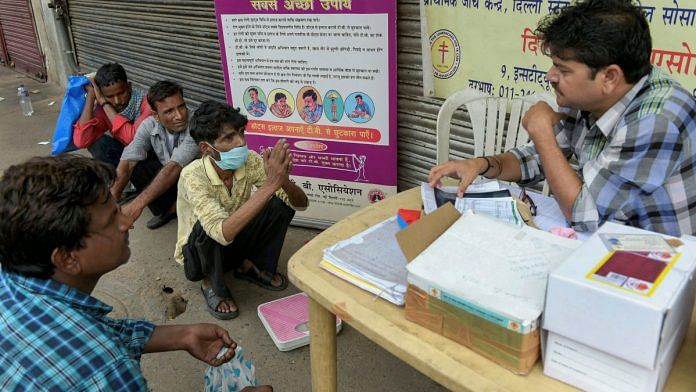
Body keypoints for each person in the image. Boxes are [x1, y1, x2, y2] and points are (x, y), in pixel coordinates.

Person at [0, 155, 271, 391]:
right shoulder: (104, 368)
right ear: (68, 258)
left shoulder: (13, 279)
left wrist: (181, 335)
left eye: (118, 209)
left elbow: (91, 331)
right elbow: (92, 348)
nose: (127, 222)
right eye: (111, 220)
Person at [429, 0, 696, 236]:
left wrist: (542, 131)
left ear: (609, 77)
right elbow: (534, 160)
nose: (550, 76)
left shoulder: (657, 119)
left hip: (663, 265)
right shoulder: (591, 97)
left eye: (563, 69)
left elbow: (585, 216)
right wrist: (480, 164)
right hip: (611, 237)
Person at [176, 101, 308, 319]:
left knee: (277, 205)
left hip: (234, 241)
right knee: (206, 229)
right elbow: (221, 232)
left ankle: (248, 265)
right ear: (206, 149)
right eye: (228, 138)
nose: (241, 142)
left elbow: (300, 204)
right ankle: (211, 283)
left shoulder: (250, 161)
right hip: (199, 257)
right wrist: (270, 186)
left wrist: (284, 181)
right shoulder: (193, 175)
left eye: (240, 133)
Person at [110, 80, 199, 230]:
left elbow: (174, 167)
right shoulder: (149, 124)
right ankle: (169, 209)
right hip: (173, 177)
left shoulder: (196, 125)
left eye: (181, 107)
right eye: (169, 111)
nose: (179, 116)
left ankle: (177, 208)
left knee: (180, 172)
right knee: (136, 164)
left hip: (194, 182)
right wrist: (109, 205)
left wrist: (135, 206)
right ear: (156, 116)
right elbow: (127, 162)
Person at [73, 63, 152, 167]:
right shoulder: (104, 110)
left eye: (121, 93)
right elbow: (81, 141)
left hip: (150, 156)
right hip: (127, 157)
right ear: (101, 93)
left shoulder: (147, 102)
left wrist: (104, 102)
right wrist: (91, 96)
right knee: (97, 144)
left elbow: (133, 140)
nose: (117, 101)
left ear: (129, 87)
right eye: (109, 96)